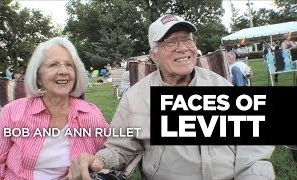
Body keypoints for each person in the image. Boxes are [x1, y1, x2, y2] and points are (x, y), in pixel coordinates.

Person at [68, 14, 275, 180]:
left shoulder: (219, 85)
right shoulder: (136, 98)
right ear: (154, 55)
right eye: (170, 42)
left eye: (187, 39)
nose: (182, 47)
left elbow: (252, 146)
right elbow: (120, 147)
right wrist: (100, 160)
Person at [0, 37, 109, 179]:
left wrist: (97, 161)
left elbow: (112, 152)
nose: (63, 71)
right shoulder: (12, 113)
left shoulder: (90, 113)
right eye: (53, 65)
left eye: (69, 65)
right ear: (38, 77)